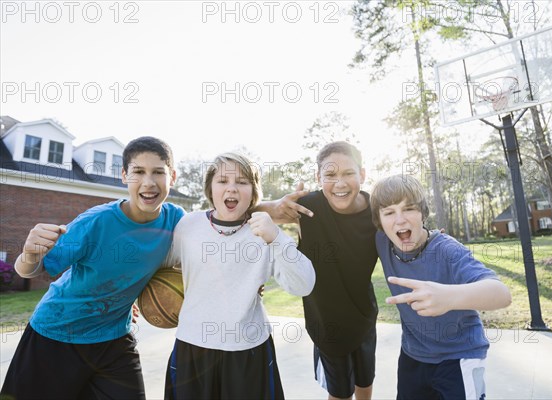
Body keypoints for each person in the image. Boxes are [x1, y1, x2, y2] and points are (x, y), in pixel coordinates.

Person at [0, 136, 184, 399]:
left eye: (158, 172)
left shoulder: (176, 220)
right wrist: (29, 253)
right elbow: (29, 270)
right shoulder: (95, 223)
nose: (148, 182)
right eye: (138, 172)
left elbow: (213, 231)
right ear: (124, 176)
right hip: (56, 334)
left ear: (173, 177)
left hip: (114, 340)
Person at [164, 152, 315, 400]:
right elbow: (160, 266)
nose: (231, 188)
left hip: (249, 350)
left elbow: (304, 284)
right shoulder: (188, 226)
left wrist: (276, 238)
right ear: (210, 188)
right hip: (192, 347)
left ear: (254, 191)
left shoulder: (266, 231)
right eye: (222, 181)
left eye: (242, 182)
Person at [370, 174, 512, 400]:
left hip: (459, 356)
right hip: (413, 356)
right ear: (379, 221)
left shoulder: (447, 250)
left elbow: (501, 294)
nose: (400, 220)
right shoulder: (382, 240)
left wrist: (449, 297)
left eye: (409, 209)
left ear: (423, 213)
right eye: (389, 212)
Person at [261, 141, 379, 400]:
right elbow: (249, 212)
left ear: (362, 174)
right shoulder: (307, 206)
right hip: (327, 324)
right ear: (318, 177)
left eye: (348, 173)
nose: (340, 183)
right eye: (330, 175)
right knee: (340, 393)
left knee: (365, 382)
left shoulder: (376, 211)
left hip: (364, 315)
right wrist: (277, 203)